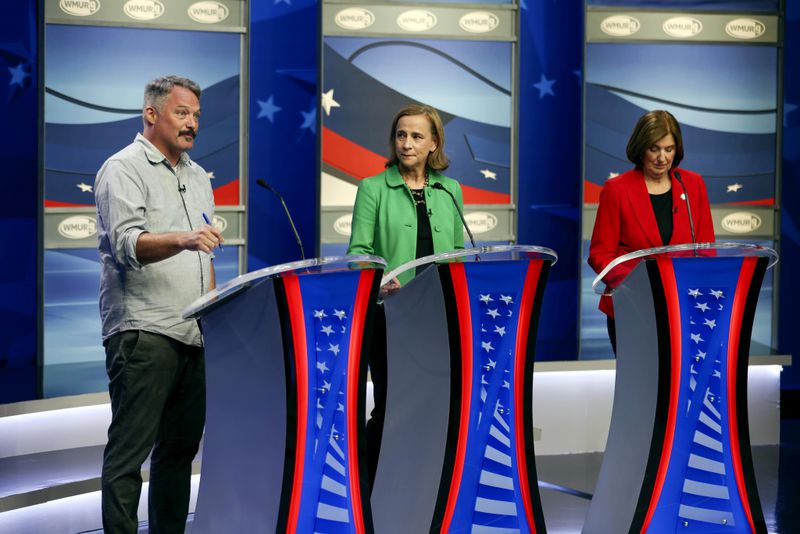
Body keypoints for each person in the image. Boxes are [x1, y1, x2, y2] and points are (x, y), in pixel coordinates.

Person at [94, 75, 223, 533]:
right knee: (129, 455)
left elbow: (205, 253)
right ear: (151, 114)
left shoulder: (196, 175)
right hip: (144, 332)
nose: (192, 124)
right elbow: (128, 245)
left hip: (193, 334)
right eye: (182, 113)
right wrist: (186, 239)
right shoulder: (123, 168)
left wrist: (213, 315)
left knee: (177, 455)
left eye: (196, 116)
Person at [347, 104, 465, 487]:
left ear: (434, 143)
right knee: (390, 406)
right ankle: (373, 487)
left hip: (439, 318)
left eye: (416, 136)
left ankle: (423, 484)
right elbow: (358, 253)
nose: (407, 143)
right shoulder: (373, 188)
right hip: (389, 316)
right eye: (401, 135)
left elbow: (459, 254)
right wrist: (377, 280)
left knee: (435, 405)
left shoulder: (450, 191)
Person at [588, 110, 714, 353]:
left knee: (676, 382)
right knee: (641, 384)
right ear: (640, 148)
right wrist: (645, 285)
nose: (662, 158)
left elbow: (706, 250)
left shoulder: (693, 185)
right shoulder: (617, 189)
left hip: (683, 306)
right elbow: (600, 255)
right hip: (633, 307)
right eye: (654, 149)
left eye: (669, 149)